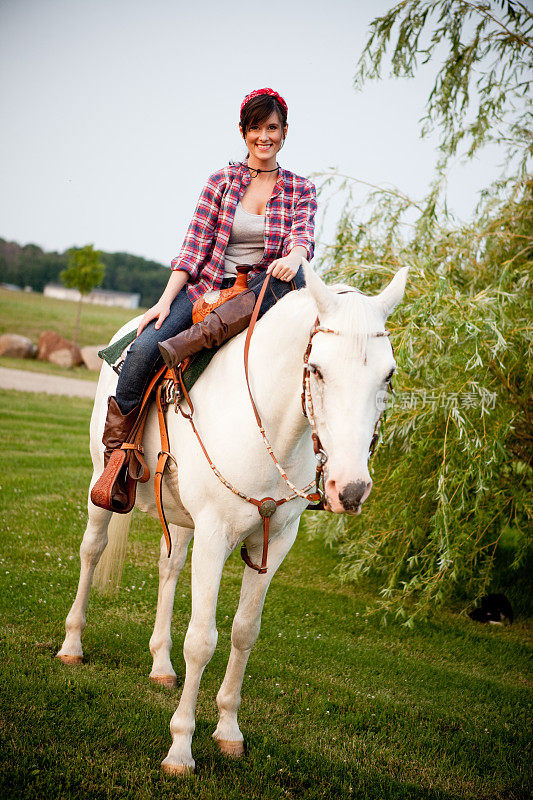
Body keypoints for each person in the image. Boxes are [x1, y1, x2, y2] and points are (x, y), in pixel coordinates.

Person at [95, 87, 317, 495]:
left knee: (297, 292)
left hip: (262, 294)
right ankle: (118, 458)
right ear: (242, 131)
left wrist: (297, 254)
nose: (263, 137)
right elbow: (192, 249)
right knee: (144, 350)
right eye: (255, 128)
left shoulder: (300, 187)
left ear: (285, 132)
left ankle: (317, 464)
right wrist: (164, 302)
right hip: (206, 289)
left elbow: (303, 235)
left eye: (272, 128)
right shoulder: (221, 181)